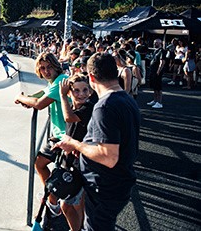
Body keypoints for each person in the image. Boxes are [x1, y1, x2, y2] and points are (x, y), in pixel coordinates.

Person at [53, 52, 141, 231]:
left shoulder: (104, 106)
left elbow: (109, 157)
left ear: (91, 77)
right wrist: (86, 149)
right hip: (118, 183)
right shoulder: (127, 99)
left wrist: (75, 144)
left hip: (105, 187)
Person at [14, 52, 68, 219]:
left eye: (49, 67)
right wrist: (27, 99)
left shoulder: (60, 81)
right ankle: (53, 196)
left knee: (40, 163)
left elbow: (39, 104)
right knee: (46, 165)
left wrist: (20, 97)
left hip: (64, 136)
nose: (46, 71)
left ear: (56, 66)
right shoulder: (56, 81)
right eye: (42, 68)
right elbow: (42, 94)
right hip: (61, 134)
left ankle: (52, 200)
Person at [59, 74, 95, 231]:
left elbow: (68, 118)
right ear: (70, 92)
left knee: (75, 203)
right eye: (76, 91)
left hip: (82, 163)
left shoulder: (87, 108)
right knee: (66, 204)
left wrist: (62, 95)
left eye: (85, 90)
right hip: (69, 161)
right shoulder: (75, 107)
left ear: (90, 91)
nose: (81, 94)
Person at [147, 39, 167, 109]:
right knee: (154, 86)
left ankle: (159, 102)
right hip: (153, 70)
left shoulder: (162, 51)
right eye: (154, 42)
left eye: (156, 43)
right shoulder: (155, 51)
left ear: (160, 43)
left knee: (158, 87)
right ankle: (155, 100)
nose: (154, 44)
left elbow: (162, 62)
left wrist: (158, 70)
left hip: (157, 71)